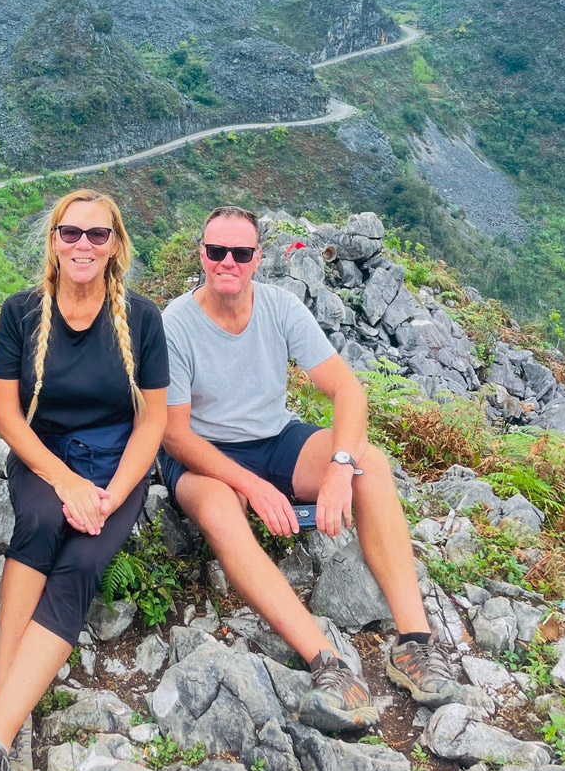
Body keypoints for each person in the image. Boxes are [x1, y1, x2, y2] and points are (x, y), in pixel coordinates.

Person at [159, 205, 462, 731]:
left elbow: (347, 389)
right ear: (201, 255)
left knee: (373, 464)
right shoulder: (175, 323)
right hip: (204, 451)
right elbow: (176, 433)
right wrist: (252, 488)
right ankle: (327, 662)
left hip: (275, 437)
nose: (227, 261)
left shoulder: (280, 308)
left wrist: (342, 468)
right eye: (216, 251)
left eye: (241, 252)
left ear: (257, 259)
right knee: (222, 512)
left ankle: (413, 642)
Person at [0, 189, 169, 771]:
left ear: (115, 246)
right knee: (39, 522)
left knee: (81, 566)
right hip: (45, 458)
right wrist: (65, 482)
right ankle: (11, 734)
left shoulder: (143, 320)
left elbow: (151, 423)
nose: (83, 246)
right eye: (71, 233)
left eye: (98, 236)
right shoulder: (21, 314)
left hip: (117, 469)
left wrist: (110, 495)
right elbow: (7, 415)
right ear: (54, 241)